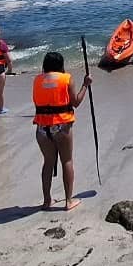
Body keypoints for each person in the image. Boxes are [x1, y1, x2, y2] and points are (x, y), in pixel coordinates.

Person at [32, 51, 92, 210]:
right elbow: (76, 102)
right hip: (61, 126)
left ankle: (47, 201)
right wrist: (85, 85)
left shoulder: (37, 80)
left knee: (48, 163)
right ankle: (68, 201)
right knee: (67, 160)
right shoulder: (66, 79)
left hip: (41, 128)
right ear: (61, 65)